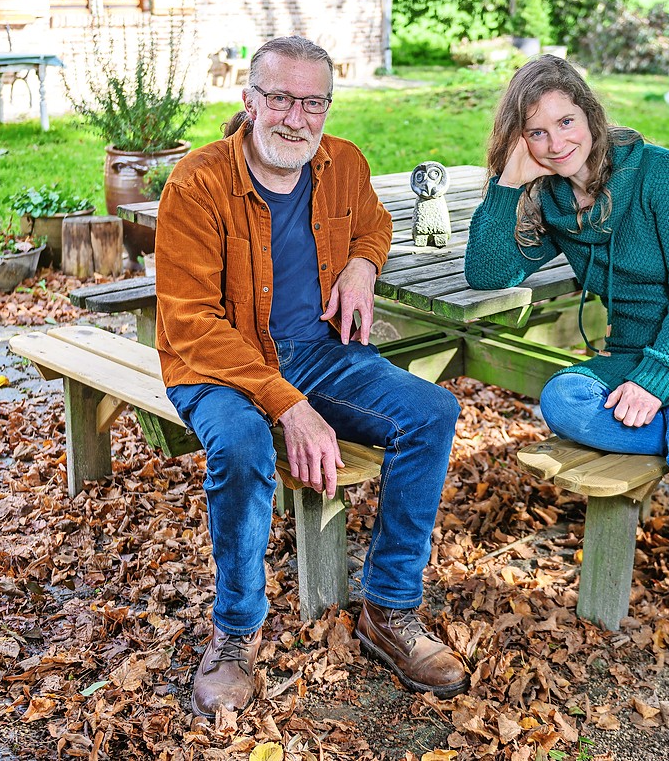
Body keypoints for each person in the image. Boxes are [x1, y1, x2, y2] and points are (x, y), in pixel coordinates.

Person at [155, 36, 468, 719]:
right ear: (249, 100)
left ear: (327, 105)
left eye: (313, 101)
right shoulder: (197, 183)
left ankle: (389, 608)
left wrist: (364, 264)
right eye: (279, 97)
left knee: (434, 412)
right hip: (219, 363)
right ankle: (235, 631)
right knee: (241, 447)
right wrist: (287, 404)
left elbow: (375, 221)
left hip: (319, 353)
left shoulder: (343, 163)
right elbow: (189, 322)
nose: (295, 116)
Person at [463, 55, 669, 683]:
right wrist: (503, 187)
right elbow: (488, 273)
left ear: (591, 113)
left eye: (566, 120)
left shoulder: (661, 175)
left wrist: (656, 383)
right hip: (630, 354)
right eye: (537, 132)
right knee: (561, 399)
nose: (557, 143)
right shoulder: (555, 200)